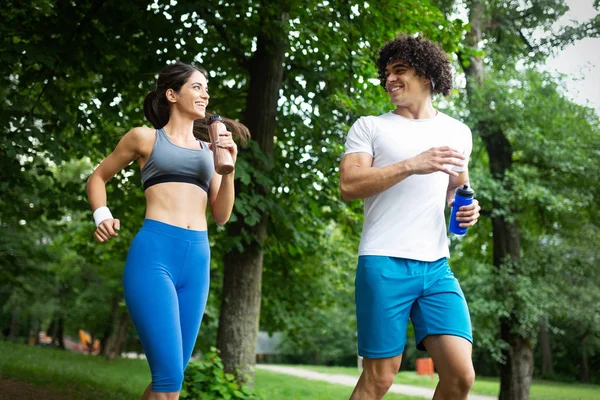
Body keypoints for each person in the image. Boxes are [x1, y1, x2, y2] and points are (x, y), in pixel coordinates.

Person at [86, 62, 249, 400]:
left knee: (171, 377)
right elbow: (98, 177)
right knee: (169, 379)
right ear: (172, 94)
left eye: (207, 88)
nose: (205, 94)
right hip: (154, 256)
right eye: (197, 87)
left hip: (197, 263)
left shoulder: (210, 151)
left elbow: (220, 215)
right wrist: (102, 215)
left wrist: (229, 169)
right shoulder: (144, 138)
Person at [339, 35, 481, 400]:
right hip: (383, 261)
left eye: (399, 71)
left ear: (427, 75)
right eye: (387, 74)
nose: (389, 80)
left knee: (460, 375)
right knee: (380, 379)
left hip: (436, 266)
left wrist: (465, 208)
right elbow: (350, 184)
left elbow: (457, 190)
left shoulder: (457, 132)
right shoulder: (370, 126)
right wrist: (412, 164)